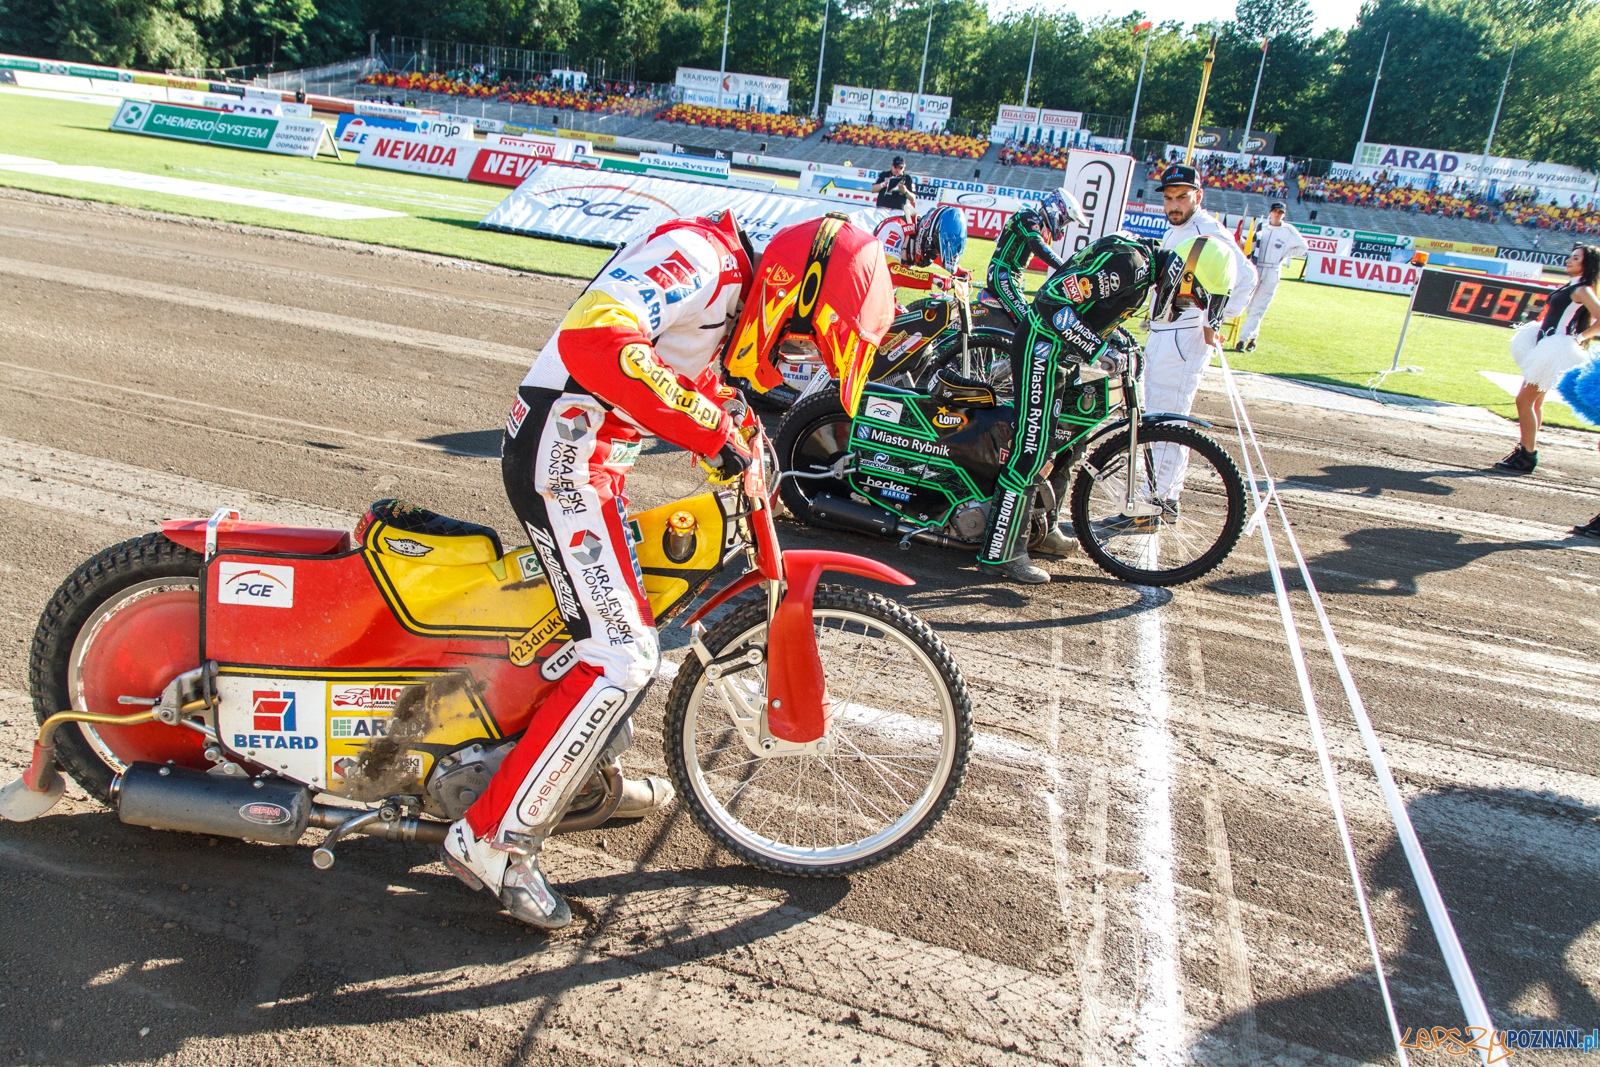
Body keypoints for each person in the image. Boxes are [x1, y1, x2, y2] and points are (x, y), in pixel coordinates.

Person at [444, 211, 895, 928]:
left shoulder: (727, 286)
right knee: (624, 655)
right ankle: (493, 841)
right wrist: (710, 426)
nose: (799, 356)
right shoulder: (698, 257)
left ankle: (573, 776)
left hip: (592, 465)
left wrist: (734, 422)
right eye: (806, 339)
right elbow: (596, 339)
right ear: (794, 288)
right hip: (562, 462)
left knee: (615, 624)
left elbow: (686, 374)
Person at [977, 230, 1177, 584]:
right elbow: (1051, 301)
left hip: (1062, 354)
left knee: (1071, 440)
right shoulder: (1129, 265)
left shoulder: (1139, 265)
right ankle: (1001, 551)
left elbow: (1093, 311)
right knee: (1033, 448)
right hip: (1042, 350)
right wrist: (1098, 351)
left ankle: (1044, 527)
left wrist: (1116, 341)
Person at [1145, 164, 1256, 503]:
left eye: (1181, 197)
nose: (1173, 205)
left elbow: (1247, 277)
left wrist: (1214, 321)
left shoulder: (1206, 229)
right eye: (1168, 198)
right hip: (1167, 331)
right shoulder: (1179, 229)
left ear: (1198, 197)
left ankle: (1158, 503)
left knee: (1167, 422)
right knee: (1157, 420)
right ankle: (1161, 498)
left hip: (1184, 335)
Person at [1496, 244, 1600, 474]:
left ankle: (1527, 455)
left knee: (1523, 401)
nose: (1569, 261)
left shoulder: (1583, 289)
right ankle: (1526, 449)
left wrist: (1580, 337)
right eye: (1570, 256)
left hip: (1554, 348)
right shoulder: (1572, 286)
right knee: (1534, 403)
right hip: (1547, 344)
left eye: (1575, 258)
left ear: (1587, 264)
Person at [985, 189, 1089, 328]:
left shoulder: (1033, 220)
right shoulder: (1028, 217)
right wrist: (1067, 267)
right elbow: (1038, 246)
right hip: (1003, 275)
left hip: (1007, 276)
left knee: (1025, 319)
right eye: (1065, 220)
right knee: (1029, 324)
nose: (1062, 225)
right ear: (1056, 209)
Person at [1235, 201, 1308, 352]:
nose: (1277, 215)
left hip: (1272, 270)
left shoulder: (1288, 230)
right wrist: (1241, 240)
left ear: (1284, 214)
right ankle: (1253, 339)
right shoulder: (1262, 227)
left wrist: (1285, 255)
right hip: (1256, 267)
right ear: (1270, 212)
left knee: (1259, 307)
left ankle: (1242, 340)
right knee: (1250, 306)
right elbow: (1252, 244)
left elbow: (1303, 247)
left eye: (1280, 213)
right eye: (1275, 212)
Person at [874, 203, 967, 293]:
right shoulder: (894, 228)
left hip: (884, 290)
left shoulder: (919, 234)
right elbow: (889, 272)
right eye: (935, 250)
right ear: (928, 237)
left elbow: (932, 252)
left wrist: (958, 270)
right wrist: (933, 278)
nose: (934, 255)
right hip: (867, 287)